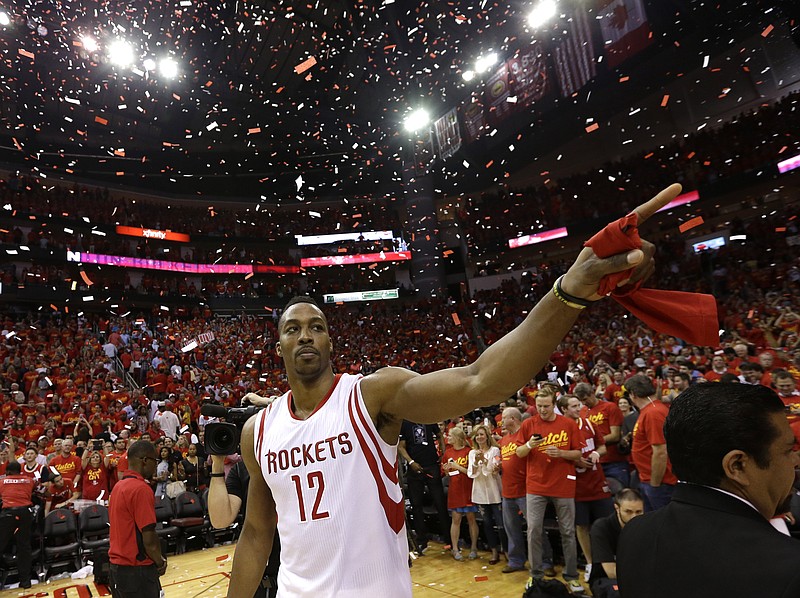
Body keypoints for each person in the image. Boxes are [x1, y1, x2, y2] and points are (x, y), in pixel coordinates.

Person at [226, 185, 681, 597]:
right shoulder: (258, 431)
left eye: (316, 327)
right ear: (279, 343)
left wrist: (569, 291)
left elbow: (481, 380)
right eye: (293, 329)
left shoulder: (371, 396)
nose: (305, 336)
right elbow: (256, 533)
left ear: (330, 340)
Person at [617, 383, 800, 597]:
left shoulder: (635, 532)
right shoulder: (789, 568)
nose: (795, 461)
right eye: (788, 451)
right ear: (737, 465)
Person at [515, 387, 583, 592]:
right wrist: (529, 445)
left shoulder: (568, 424)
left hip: (563, 484)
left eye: (546, 406)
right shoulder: (528, 424)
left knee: (568, 532)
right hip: (535, 485)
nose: (542, 410)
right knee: (534, 530)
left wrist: (561, 453)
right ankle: (535, 576)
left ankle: (571, 576)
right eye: (539, 406)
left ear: (554, 404)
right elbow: (518, 452)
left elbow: (578, 453)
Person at [208, 453, 281, 598]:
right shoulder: (241, 470)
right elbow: (220, 519)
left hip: (296, 569)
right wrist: (217, 463)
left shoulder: (294, 461)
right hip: (259, 575)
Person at [558, 395, 614, 584]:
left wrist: (597, 453)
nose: (578, 408)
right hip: (576, 484)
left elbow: (603, 446)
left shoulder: (589, 424)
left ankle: (609, 560)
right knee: (581, 526)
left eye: (578, 405)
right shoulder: (561, 430)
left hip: (598, 482)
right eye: (573, 406)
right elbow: (557, 457)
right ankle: (590, 563)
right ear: (564, 409)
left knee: (606, 522)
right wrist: (576, 460)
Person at [497, 407, 555, 575]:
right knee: (512, 529)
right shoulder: (504, 440)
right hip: (507, 492)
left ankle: (545, 562)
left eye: (504, 418)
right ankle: (516, 561)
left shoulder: (525, 435)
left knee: (535, 528)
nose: (501, 421)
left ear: (514, 419)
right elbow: (506, 461)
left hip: (526, 490)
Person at [108, 440, 168, 598]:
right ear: (145, 460)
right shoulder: (141, 489)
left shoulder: (118, 487)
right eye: (155, 461)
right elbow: (148, 536)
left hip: (116, 568)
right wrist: (160, 561)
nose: (156, 465)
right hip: (137, 569)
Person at [625, 375, 676, 510]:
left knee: (661, 525)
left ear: (633, 394)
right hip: (650, 479)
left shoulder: (653, 412)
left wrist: (655, 484)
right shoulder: (652, 410)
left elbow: (660, 451)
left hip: (660, 482)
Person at [398, 421, 450, 554]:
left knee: (440, 503)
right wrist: (411, 462)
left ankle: (449, 539)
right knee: (416, 505)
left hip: (432, 465)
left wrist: (443, 452)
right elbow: (401, 446)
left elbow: (439, 435)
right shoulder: (405, 423)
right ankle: (422, 541)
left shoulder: (428, 418)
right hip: (415, 468)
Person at [588, 489, 644, 598]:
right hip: (606, 580)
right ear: (617, 508)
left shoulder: (646, 527)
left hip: (639, 578)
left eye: (638, 512)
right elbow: (611, 572)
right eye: (628, 511)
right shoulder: (601, 528)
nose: (634, 517)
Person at [574, 382, 626, 488]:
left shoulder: (610, 407)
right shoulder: (582, 411)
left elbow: (615, 435)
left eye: (585, 399)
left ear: (592, 393)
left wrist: (592, 442)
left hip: (613, 461)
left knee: (619, 493)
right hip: (593, 462)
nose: (584, 403)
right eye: (581, 401)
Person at [467, 424, 503, 564]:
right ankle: (494, 551)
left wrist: (485, 460)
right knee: (487, 523)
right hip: (480, 491)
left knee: (501, 524)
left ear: (487, 436)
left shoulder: (495, 450)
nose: (480, 437)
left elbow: (492, 471)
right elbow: (472, 473)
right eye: (477, 435)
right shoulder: (472, 453)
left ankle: (505, 550)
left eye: (482, 434)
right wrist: (476, 462)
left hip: (494, 490)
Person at [443, 426, 478, 561]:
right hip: (455, 490)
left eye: (450, 436)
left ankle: (474, 547)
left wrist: (457, 467)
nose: (448, 438)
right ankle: (455, 548)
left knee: (471, 519)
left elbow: (471, 473)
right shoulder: (448, 453)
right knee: (455, 519)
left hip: (468, 488)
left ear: (457, 438)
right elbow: (448, 473)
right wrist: (447, 470)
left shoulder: (469, 452)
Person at [0, 461, 35, 588]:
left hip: (8, 514)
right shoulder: (29, 480)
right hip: (25, 513)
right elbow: (41, 491)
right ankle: (25, 582)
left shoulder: (2, 481)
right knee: (24, 547)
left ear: (7, 472)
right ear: (20, 470)